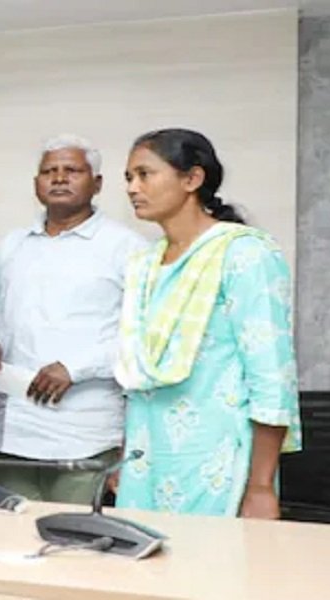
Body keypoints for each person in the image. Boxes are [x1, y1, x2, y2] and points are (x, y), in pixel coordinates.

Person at [115, 128, 301, 517]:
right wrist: (125, 456)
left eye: (145, 174)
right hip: (146, 462)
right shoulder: (143, 264)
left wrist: (261, 486)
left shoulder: (245, 254)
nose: (132, 188)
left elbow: (271, 379)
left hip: (218, 462)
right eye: (129, 177)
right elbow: (137, 376)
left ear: (192, 179)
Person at [0, 135, 146, 504]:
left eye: (72, 170)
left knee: (71, 534)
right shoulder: (12, 245)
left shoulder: (128, 247)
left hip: (85, 432)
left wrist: (76, 368)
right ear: (36, 184)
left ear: (97, 183)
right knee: (8, 532)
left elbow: (144, 335)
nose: (59, 178)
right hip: (12, 431)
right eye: (49, 171)